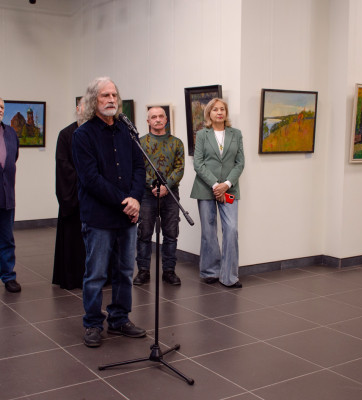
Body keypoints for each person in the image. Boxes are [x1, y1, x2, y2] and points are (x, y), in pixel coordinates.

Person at [72, 77, 146, 348]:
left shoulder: (127, 130)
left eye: (114, 95)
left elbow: (140, 167)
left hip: (127, 216)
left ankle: (119, 319)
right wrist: (125, 201)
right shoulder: (83, 135)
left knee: (125, 271)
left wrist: (135, 199)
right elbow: (91, 179)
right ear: (94, 100)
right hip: (99, 217)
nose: (112, 99)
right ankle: (93, 323)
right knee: (96, 274)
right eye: (105, 95)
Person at [190, 98, 245, 288]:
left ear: (226, 113)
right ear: (209, 113)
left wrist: (226, 184)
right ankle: (210, 271)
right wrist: (216, 185)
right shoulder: (202, 134)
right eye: (215, 109)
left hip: (230, 189)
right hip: (206, 188)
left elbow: (240, 163)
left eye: (222, 109)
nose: (219, 112)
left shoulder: (236, 134)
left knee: (231, 229)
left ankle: (230, 276)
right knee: (209, 230)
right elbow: (198, 163)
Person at [134, 107, 185, 286]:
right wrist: (153, 185)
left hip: (171, 194)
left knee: (171, 234)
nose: (157, 119)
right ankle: (143, 271)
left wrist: (166, 186)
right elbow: (138, 168)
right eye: (153, 117)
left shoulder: (177, 143)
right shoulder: (140, 143)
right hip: (147, 194)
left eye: (161, 116)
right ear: (148, 121)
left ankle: (169, 271)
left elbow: (179, 168)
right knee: (144, 233)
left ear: (166, 119)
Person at [52, 99, 86, 290]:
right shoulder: (66, 134)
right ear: (77, 109)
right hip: (74, 196)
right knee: (74, 239)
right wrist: (85, 179)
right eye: (84, 106)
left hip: (96, 198)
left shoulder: (98, 133)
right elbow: (63, 166)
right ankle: (73, 277)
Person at [0, 98, 21, 293]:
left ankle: (8, 277)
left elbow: (13, 159)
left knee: (7, 238)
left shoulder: (11, 132)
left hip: (6, 195)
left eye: (1, 107)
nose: (0, 110)